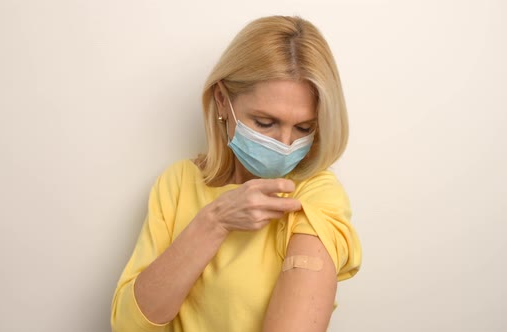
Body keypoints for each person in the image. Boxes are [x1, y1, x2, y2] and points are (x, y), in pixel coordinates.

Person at [111, 15, 362, 332]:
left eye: (303, 128)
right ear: (221, 101)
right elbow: (129, 325)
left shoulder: (316, 196)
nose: (285, 144)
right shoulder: (178, 183)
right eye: (265, 122)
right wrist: (215, 220)